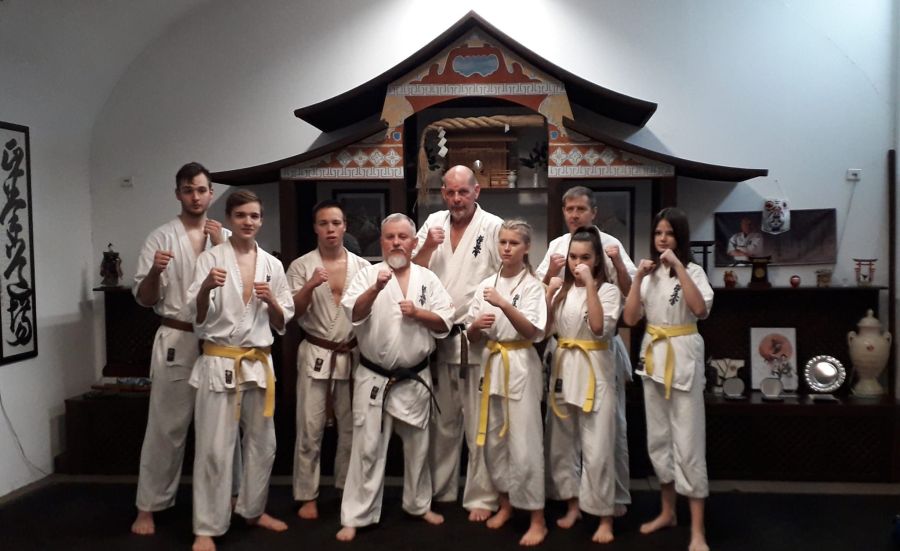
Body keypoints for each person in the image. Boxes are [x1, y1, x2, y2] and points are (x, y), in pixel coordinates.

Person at [188, 190, 295, 551]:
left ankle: (252, 509)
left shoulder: (272, 265)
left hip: (258, 362)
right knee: (213, 448)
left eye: (254, 216)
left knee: (265, 444)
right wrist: (205, 288)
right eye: (241, 216)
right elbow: (196, 316)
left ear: (261, 220)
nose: (248, 222)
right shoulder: (210, 260)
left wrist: (272, 301)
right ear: (229, 219)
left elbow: (282, 321)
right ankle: (206, 526)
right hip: (220, 360)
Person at [336, 213, 454, 542]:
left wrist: (419, 313)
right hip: (374, 377)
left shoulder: (428, 278)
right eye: (390, 237)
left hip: (414, 377)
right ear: (382, 241)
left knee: (418, 447)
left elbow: (445, 321)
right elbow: (354, 313)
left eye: (403, 237)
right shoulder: (367, 275)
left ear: (414, 243)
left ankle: (418, 504)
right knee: (367, 448)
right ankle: (356, 515)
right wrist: (376, 288)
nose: (396, 242)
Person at [130, 162, 227, 536]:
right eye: (188, 190)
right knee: (166, 427)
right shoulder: (161, 238)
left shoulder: (225, 235)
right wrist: (155, 271)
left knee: (221, 430)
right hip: (178, 337)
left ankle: (229, 500)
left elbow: (242, 290)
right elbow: (144, 298)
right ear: (178, 194)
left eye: (201, 190)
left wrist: (221, 246)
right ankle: (148, 506)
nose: (196, 197)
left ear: (211, 193)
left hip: (218, 342)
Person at [536, 185, 636, 521]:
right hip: (565, 350)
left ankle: (610, 499)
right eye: (569, 209)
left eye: (581, 209)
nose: (575, 215)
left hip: (598, 350)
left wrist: (616, 263)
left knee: (606, 432)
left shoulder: (610, 245)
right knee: (562, 433)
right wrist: (551, 275)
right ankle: (572, 500)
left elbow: (628, 293)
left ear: (594, 212)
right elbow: (540, 301)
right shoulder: (556, 246)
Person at [413, 165, 502, 522]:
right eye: (449, 192)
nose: (456, 199)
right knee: (444, 421)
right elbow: (414, 271)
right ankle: (442, 488)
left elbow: (505, 277)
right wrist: (428, 246)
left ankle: (482, 495)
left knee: (479, 421)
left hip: (476, 336)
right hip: (439, 337)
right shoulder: (433, 223)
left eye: (463, 192)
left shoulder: (493, 226)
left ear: (476, 191)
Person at [622, 207, 714, 551]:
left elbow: (700, 309)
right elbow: (631, 319)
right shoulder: (648, 275)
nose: (663, 239)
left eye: (669, 233)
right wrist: (636, 279)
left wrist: (678, 265)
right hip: (654, 358)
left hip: (683, 354)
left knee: (688, 442)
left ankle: (698, 530)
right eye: (658, 233)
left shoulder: (693, 271)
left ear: (680, 238)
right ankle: (667, 512)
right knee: (659, 439)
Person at [466, 219, 547, 547]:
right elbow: (471, 337)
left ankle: (537, 518)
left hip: (521, 362)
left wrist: (503, 304)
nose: (507, 248)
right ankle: (505, 504)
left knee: (525, 443)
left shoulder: (533, 286)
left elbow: (532, 331)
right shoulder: (487, 284)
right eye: (503, 242)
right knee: (494, 441)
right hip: (492, 362)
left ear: (526, 248)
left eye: (514, 243)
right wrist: (474, 326)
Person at [287, 200, 369, 519]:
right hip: (316, 352)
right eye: (324, 223)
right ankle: (307, 494)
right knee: (310, 428)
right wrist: (310, 285)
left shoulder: (362, 267)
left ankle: (346, 488)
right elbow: (293, 313)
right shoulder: (301, 266)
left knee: (351, 428)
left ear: (345, 226)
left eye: (336, 223)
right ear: (315, 228)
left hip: (350, 354)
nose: (330, 229)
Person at [544, 226, 622, 543]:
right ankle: (573, 504)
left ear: (597, 260)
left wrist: (590, 283)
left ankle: (604, 516)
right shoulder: (561, 290)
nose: (578, 264)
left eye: (585, 258)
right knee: (562, 443)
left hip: (595, 369)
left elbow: (599, 327)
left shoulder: (609, 291)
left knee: (598, 447)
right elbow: (543, 331)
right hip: (564, 366)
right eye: (574, 257)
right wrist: (548, 296)